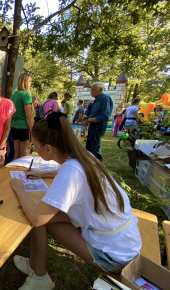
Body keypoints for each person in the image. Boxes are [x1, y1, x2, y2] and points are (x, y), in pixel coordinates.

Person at [10, 112, 141, 290]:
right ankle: (34, 265)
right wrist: (44, 173)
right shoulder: (82, 156)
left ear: (48, 149)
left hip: (113, 256)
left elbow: (37, 218)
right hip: (125, 241)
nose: (34, 149)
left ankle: (40, 278)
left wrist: (19, 188)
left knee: (39, 218)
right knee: (45, 213)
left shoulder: (71, 171)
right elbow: (72, 173)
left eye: (35, 145)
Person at [83, 82, 113, 161]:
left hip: (98, 127)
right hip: (93, 126)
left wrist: (88, 120)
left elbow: (105, 117)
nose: (91, 92)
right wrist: (88, 117)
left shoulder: (104, 98)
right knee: (90, 147)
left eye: (93, 90)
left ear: (100, 90)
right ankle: (91, 165)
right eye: (91, 90)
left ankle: (95, 166)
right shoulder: (97, 100)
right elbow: (97, 114)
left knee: (94, 148)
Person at [10, 73, 34, 159]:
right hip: (24, 128)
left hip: (14, 127)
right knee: (24, 156)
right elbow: (29, 115)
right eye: (30, 81)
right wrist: (32, 131)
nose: (31, 84)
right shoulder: (26, 95)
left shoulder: (14, 95)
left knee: (16, 154)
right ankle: (21, 173)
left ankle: (13, 172)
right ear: (26, 82)